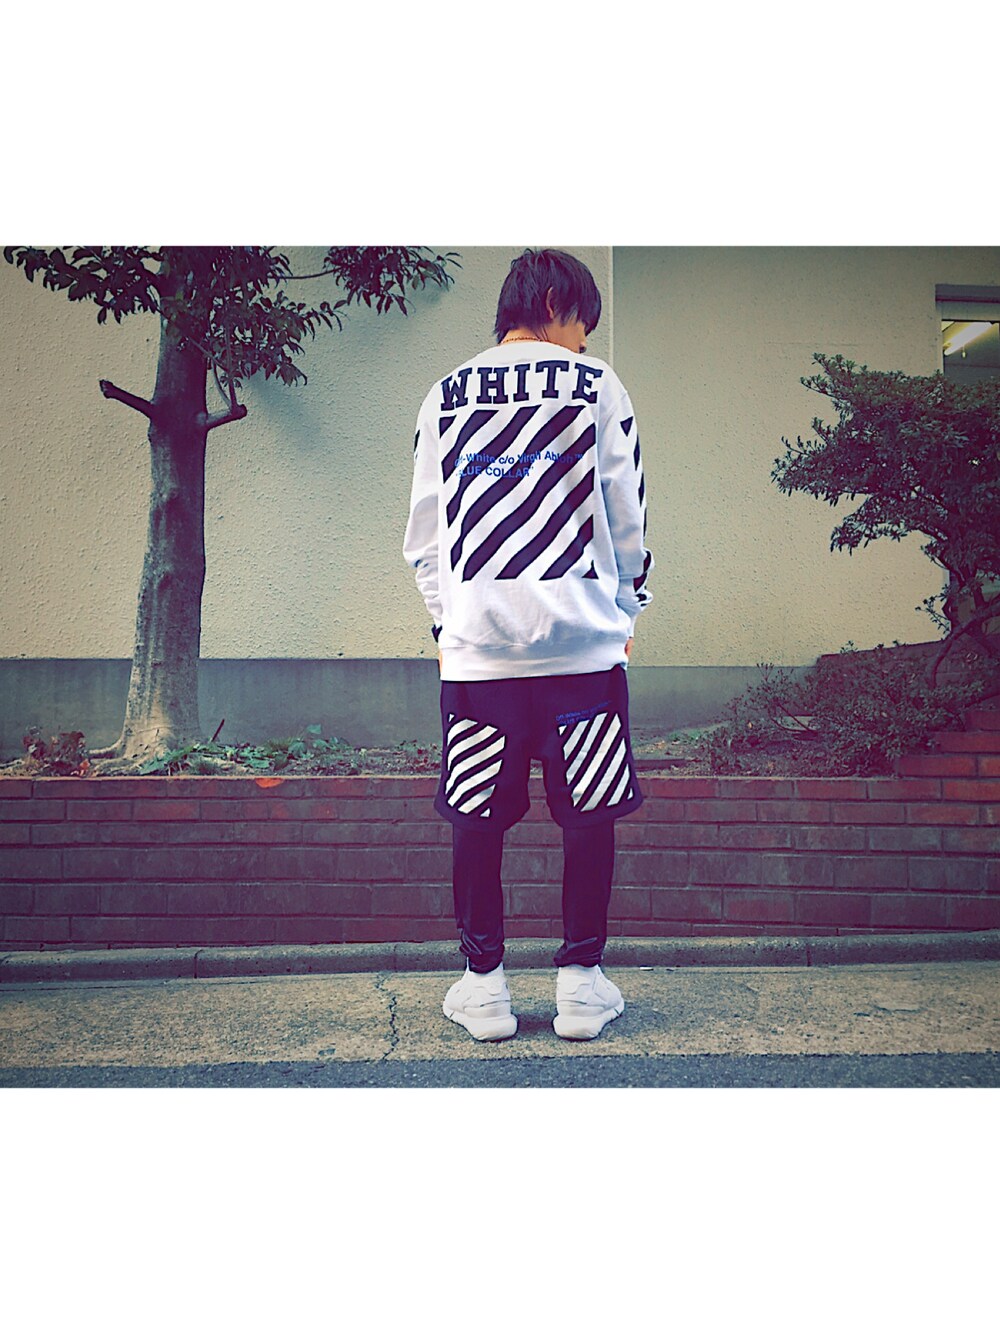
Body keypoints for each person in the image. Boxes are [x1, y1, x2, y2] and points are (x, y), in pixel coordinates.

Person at [403, 248, 653, 1042]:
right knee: (590, 817)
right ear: (553, 302)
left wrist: (452, 627)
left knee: (477, 819)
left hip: (479, 661)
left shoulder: (444, 394)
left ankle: (483, 988)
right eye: (582, 323)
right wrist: (624, 613)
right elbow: (628, 517)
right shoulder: (598, 385)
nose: (583, 341)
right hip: (584, 657)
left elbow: (424, 539)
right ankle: (581, 985)